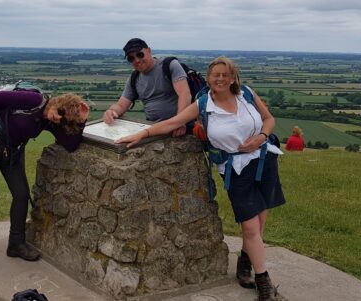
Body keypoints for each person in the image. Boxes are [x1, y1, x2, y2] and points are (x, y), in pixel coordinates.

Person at [116, 56, 288, 301]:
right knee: (250, 227)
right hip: (235, 169)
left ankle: (245, 263)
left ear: (233, 78)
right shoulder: (204, 104)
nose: (220, 79)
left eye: (225, 75)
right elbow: (174, 122)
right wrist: (143, 134)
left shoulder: (247, 94)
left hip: (264, 160)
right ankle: (265, 285)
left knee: (259, 224)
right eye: (215, 75)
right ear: (209, 78)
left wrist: (261, 137)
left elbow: (269, 119)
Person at [0, 91, 90, 264]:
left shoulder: (50, 121)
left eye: (63, 120)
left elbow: (70, 145)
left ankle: (16, 244)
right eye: (60, 113)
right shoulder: (34, 100)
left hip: (11, 152)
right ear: (58, 103)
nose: (58, 119)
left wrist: (82, 120)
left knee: (21, 194)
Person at [102, 38, 192, 136]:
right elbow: (121, 105)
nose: (137, 60)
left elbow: (185, 94)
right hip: (154, 129)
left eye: (140, 54)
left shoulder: (169, 65)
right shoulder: (134, 78)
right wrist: (111, 111)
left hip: (180, 129)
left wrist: (179, 122)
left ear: (149, 51)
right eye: (131, 58)